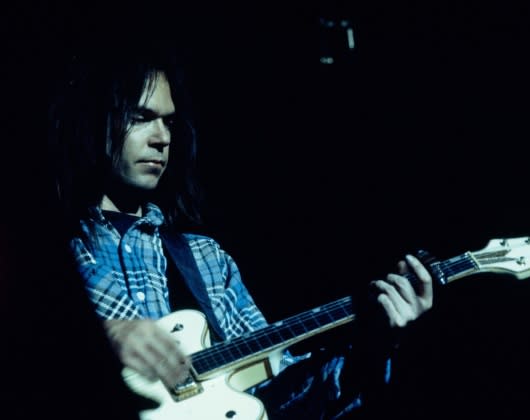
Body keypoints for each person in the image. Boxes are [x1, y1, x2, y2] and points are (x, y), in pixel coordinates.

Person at [48, 43, 433, 419]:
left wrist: (373, 345)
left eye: (168, 121)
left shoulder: (204, 259)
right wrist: (100, 339)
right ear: (93, 120)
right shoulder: (54, 252)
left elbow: (281, 392)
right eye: (140, 117)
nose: (162, 137)